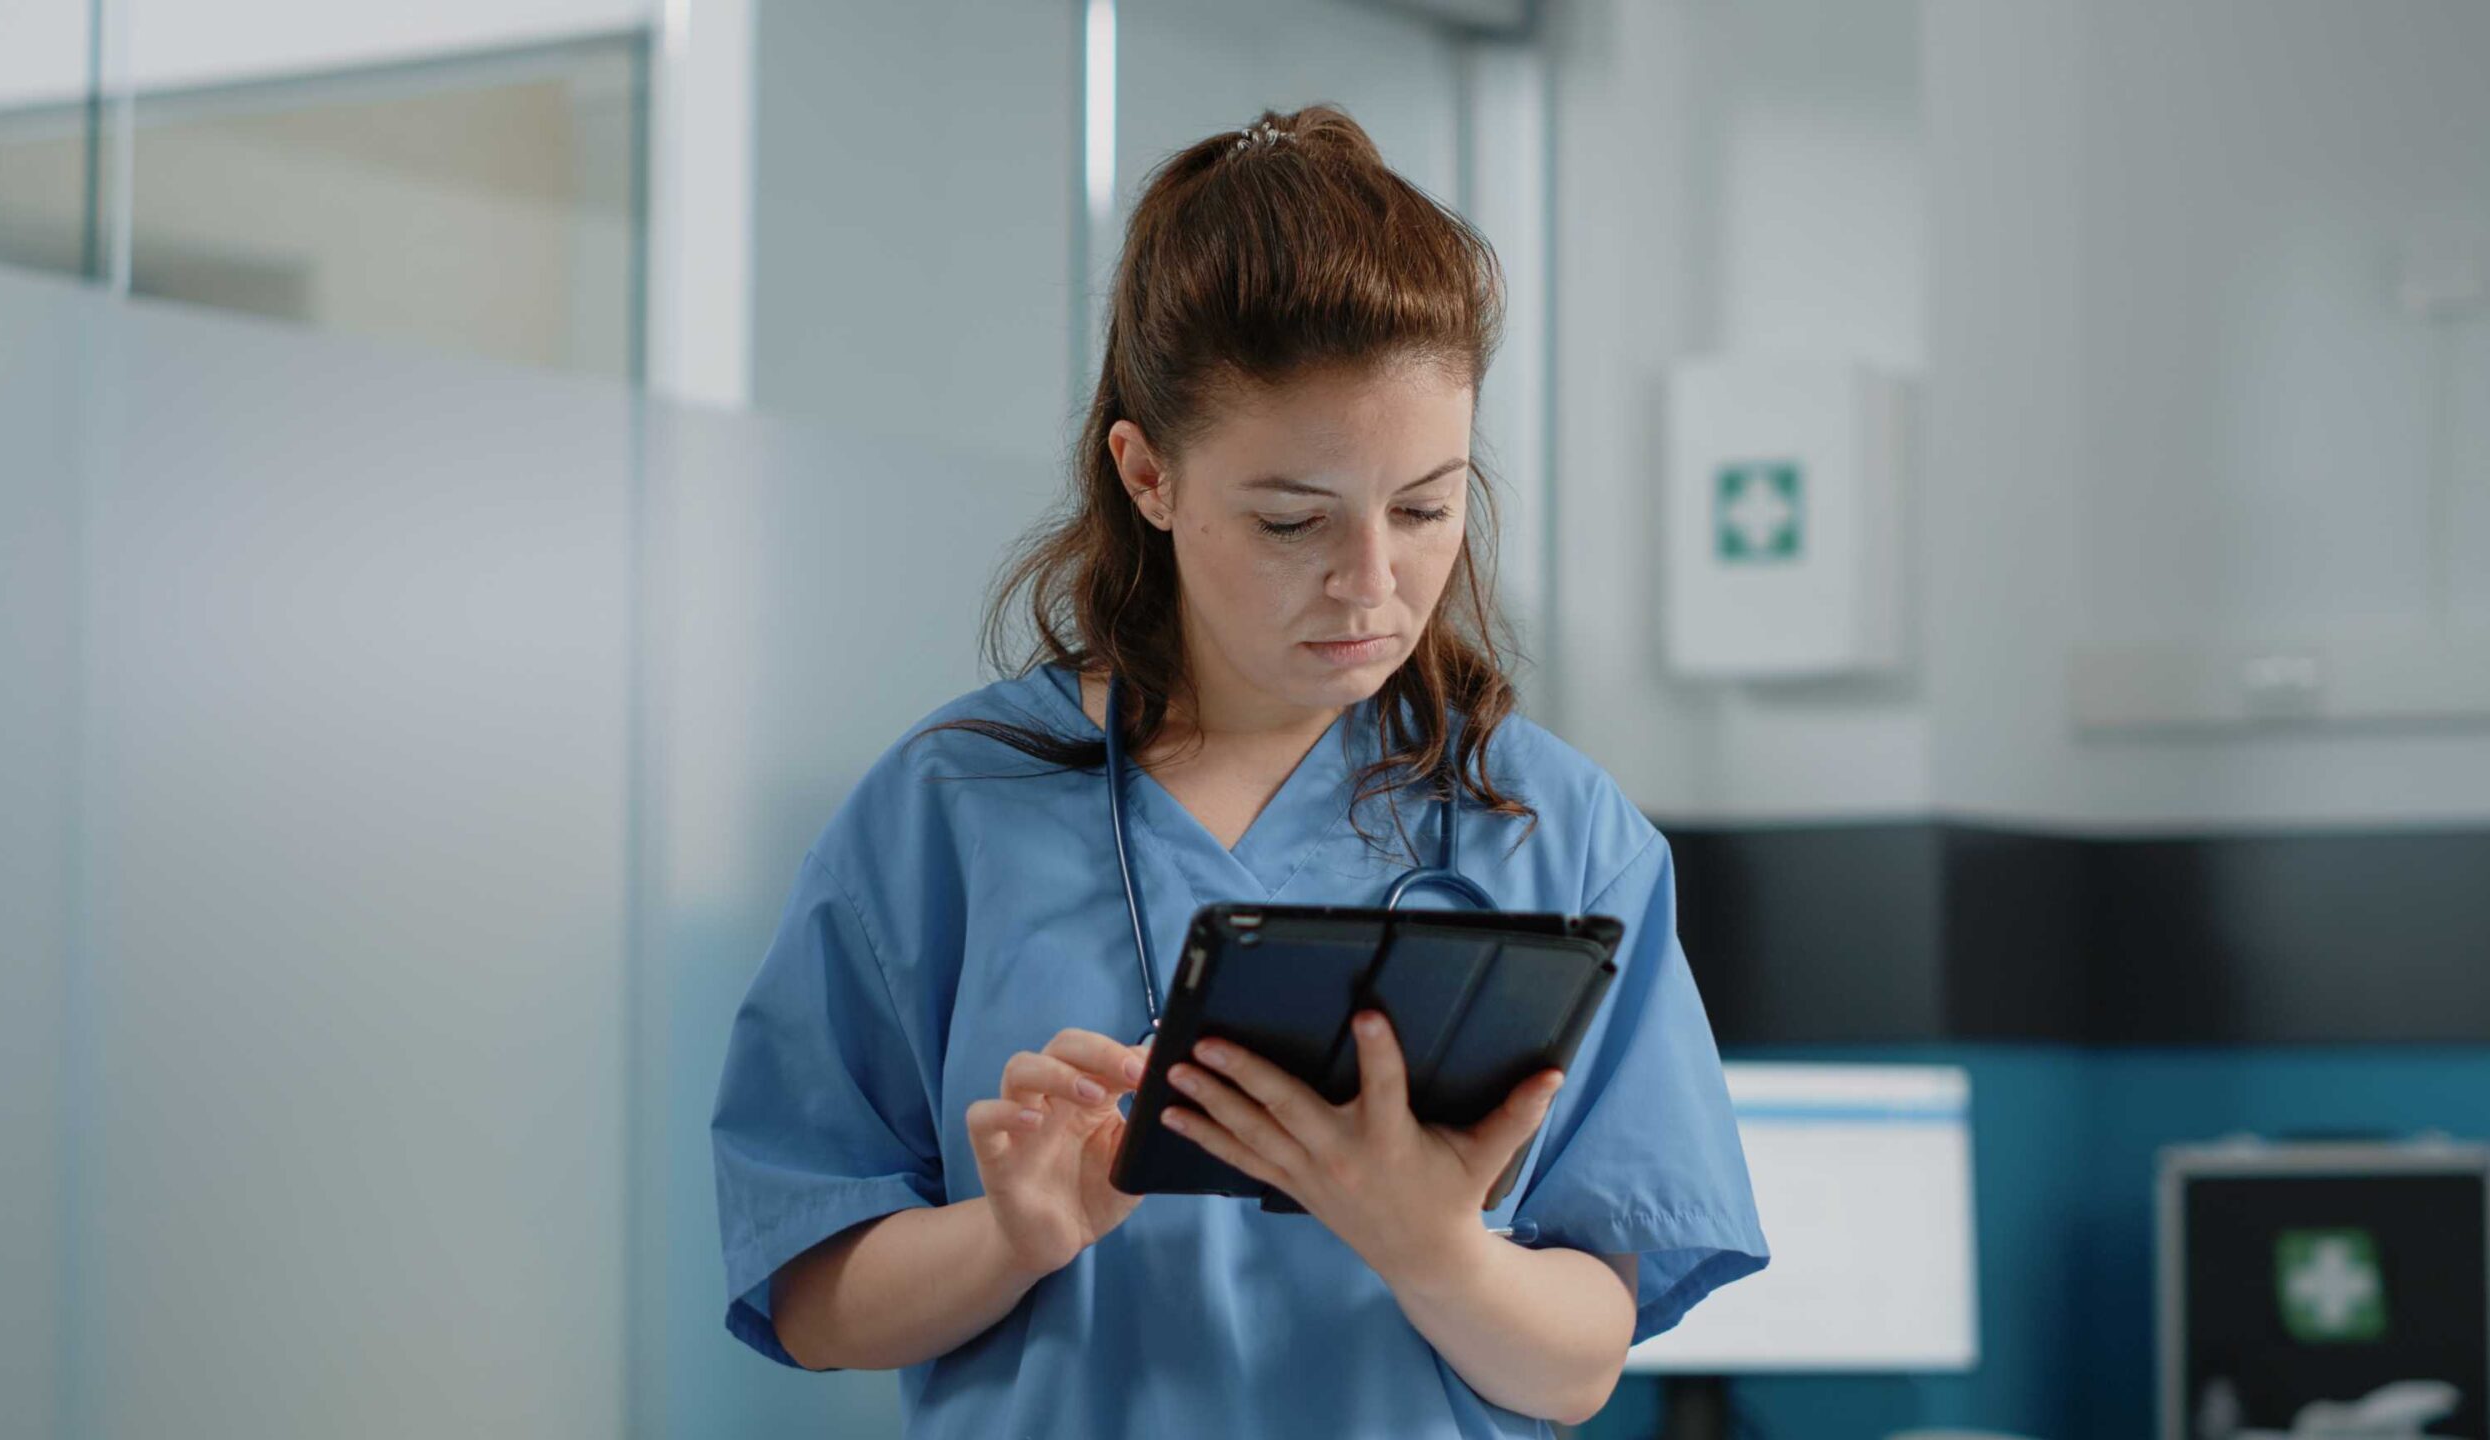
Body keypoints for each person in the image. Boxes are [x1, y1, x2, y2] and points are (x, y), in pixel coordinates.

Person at [710, 104, 1767, 1437]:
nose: (1373, 585)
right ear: (1147, 472)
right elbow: (806, 1294)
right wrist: (1014, 1235)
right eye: (1291, 520)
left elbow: (1579, 1361)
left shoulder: (1558, 832)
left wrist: (1430, 1244)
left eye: (1427, 506)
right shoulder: (951, 813)